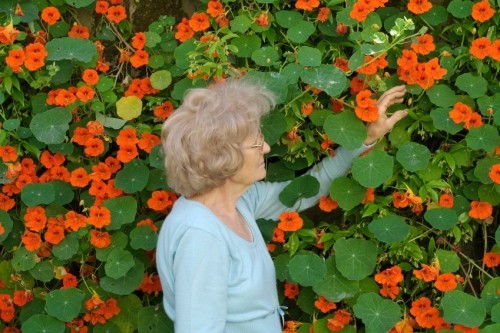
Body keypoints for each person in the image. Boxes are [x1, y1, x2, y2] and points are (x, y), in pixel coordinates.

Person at [156, 78, 407, 332]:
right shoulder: (201, 237)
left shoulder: (241, 201)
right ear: (221, 157)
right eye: (255, 142)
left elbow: (309, 188)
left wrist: (367, 136)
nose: (265, 147)